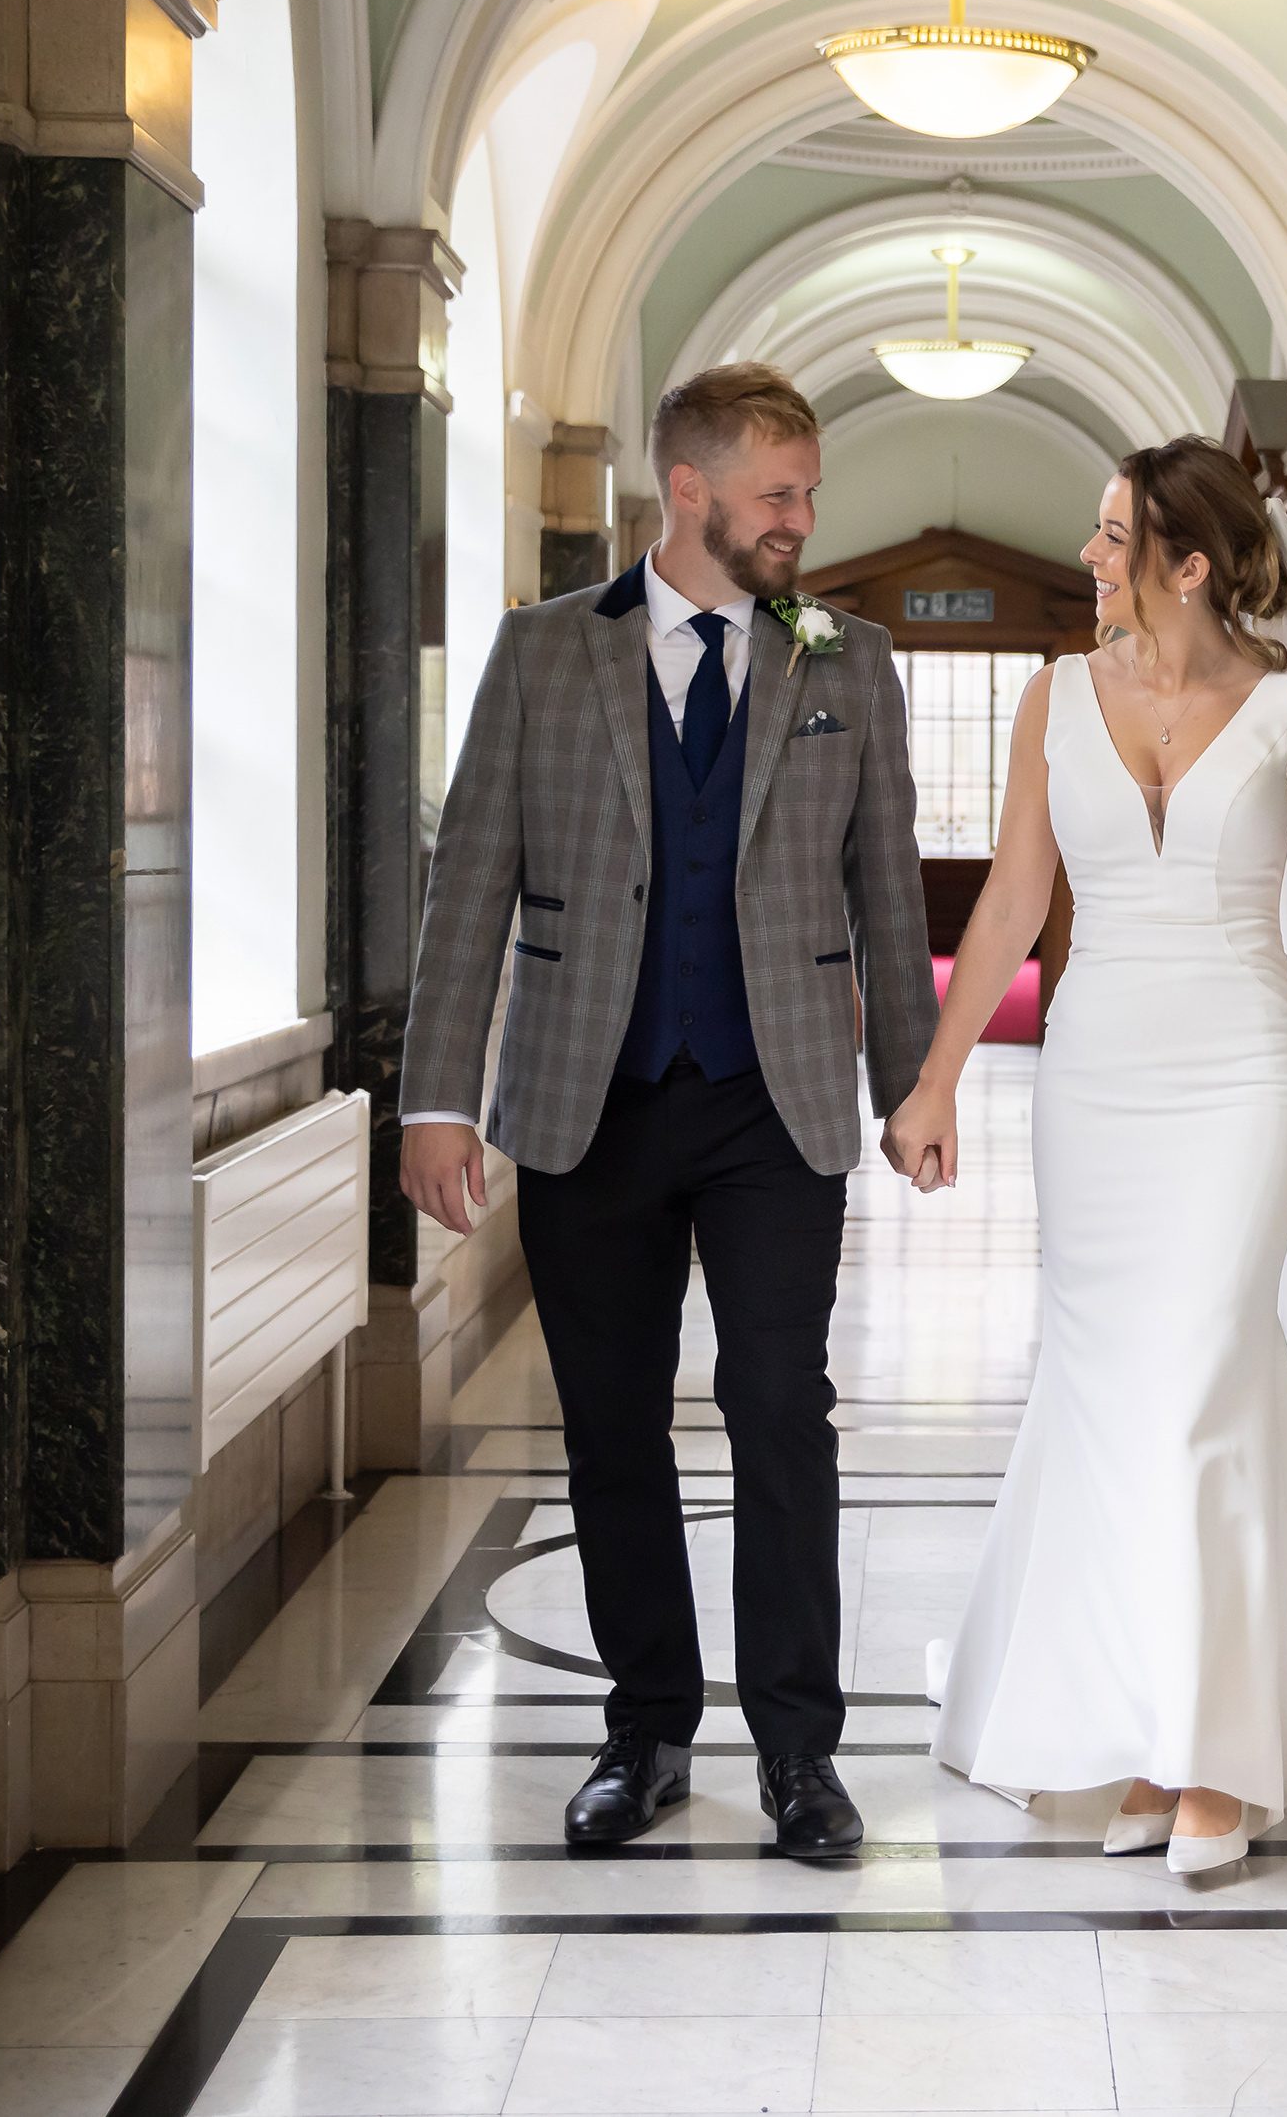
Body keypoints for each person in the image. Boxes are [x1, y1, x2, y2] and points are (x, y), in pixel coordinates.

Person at [883, 436, 1287, 1876]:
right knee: (1113, 1394)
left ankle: (1215, 1759)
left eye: (1115, 538)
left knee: (1205, 1373)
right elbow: (1007, 907)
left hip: (1243, 1070)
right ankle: (1137, 1719)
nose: (1090, 559)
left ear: (1188, 563)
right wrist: (932, 1083)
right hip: (1099, 1075)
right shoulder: (1051, 699)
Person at [400, 362, 936, 1860]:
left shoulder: (847, 661)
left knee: (780, 1413)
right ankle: (643, 1734)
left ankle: (797, 1755)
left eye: (809, 494)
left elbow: (885, 901)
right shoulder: (543, 653)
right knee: (612, 1428)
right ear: (683, 490)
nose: (801, 522)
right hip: (588, 1099)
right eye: (778, 495)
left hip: (777, 1110)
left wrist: (913, 1088)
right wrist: (434, 1096)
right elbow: (467, 894)